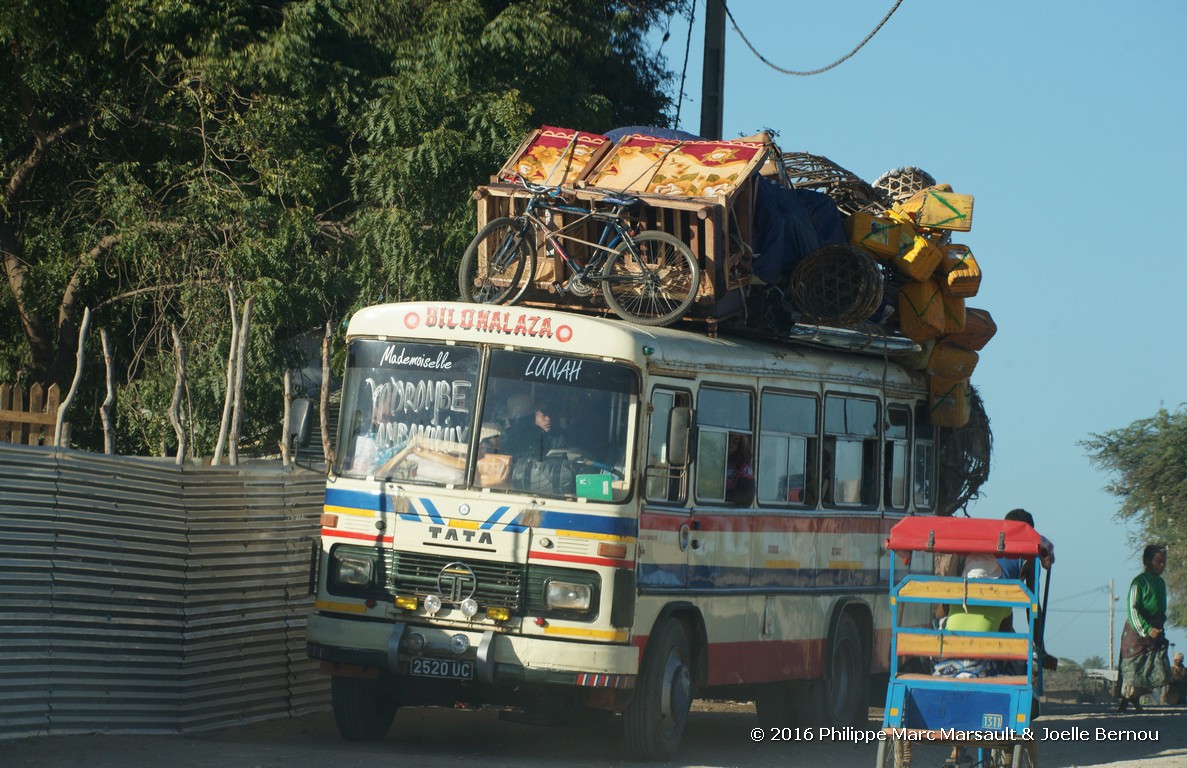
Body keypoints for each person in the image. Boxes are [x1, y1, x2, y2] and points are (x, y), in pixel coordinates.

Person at [1117, 544, 1170, 711]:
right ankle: (1125, 700)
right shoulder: (1139, 583)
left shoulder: (1161, 583)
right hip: (1137, 630)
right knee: (1132, 665)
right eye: (1158, 561)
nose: (1162, 565)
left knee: (1151, 666)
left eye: (1164, 562)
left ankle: (1136, 698)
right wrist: (1147, 629)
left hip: (1156, 629)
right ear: (1147, 562)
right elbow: (1133, 609)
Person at [501, 401, 565, 461]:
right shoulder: (519, 436)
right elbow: (506, 456)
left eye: (550, 415)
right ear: (534, 417)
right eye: (544, 415)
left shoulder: (561, 437)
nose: (548, 419)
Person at [725, 432, 754, 503]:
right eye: (728, 439)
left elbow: (747, 495)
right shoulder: (714, 458)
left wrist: (723, 495)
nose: (730, 445)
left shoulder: (743, 465)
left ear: (741, 444)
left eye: (735, 442)